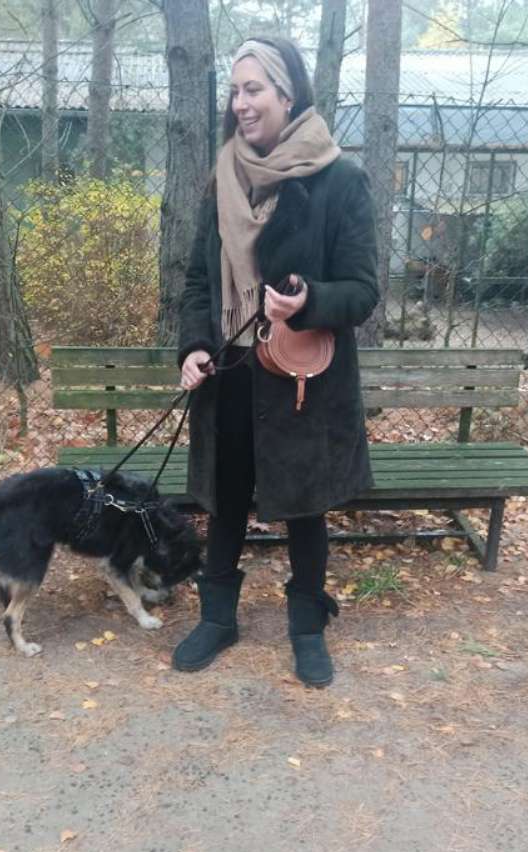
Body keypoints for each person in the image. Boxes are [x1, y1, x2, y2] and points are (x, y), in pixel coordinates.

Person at [173, 36, 379, 688]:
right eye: (235, 91)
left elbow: (363, 291)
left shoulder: (340, 180)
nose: (240, 103)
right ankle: (217, 619)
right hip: (230, 370)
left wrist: (309, 301)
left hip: (300, 376)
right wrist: (195, 346)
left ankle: (307, 627)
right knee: (227, 497)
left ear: (287, 95)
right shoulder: (223, 177)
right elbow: (199, 281)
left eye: (254, 89)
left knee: (305, 503)